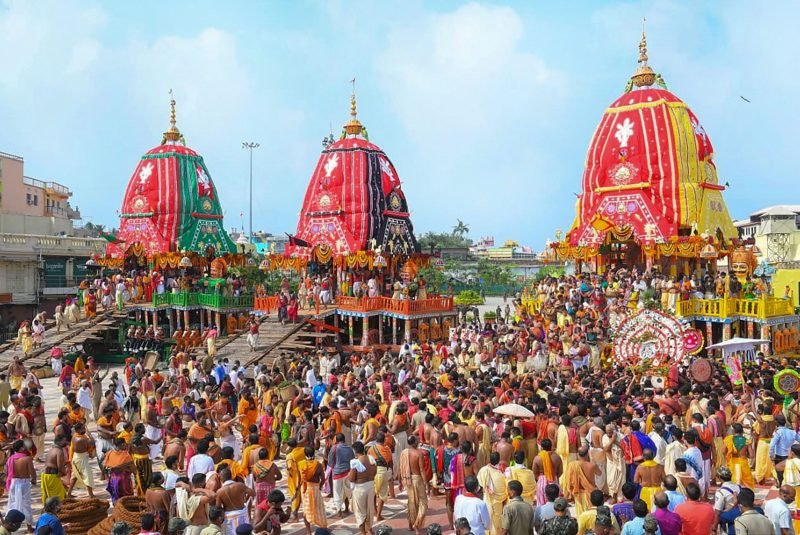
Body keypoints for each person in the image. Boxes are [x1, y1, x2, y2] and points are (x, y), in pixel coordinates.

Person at [399, 435, 428, 535]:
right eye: (417, 440)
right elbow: (422, 470)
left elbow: (401, 468)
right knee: (423, 503)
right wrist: (426, 483)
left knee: (411, 502)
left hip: (407, 479)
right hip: (417, 479)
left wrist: (399, 481)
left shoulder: (403, 453)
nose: (419, 441)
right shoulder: (418, 454)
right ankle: (417, 524)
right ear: (415, 442)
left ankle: (410, 525)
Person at [348, 441, 377, 535]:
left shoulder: (355, 462)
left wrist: (349, 474)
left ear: (355, 451)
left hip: (360, 488)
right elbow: (375, 472)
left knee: (360, 512)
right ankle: (370, 530)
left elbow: (352, 479)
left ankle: (363, 532)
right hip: (370, 485)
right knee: (369, 509)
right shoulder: (371, 458)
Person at [477, 452, 508, 535]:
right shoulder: (501, 475)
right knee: (496, 522)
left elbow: (479, 486)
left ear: (489, 459)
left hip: (486, 501)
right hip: (497, 504)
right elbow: (504, 492)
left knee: (487, 521)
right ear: (499, 460)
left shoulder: (483, 470)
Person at [6, 440, 35, 530]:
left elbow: (7, 472)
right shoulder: (27, 459)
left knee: (12, 503)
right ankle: (29, 526)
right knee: (26, 505)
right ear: (21, 448)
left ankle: (7, 524)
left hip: (13, 482)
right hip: (24, 483)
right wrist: (34, 480)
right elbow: (32, 472)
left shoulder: (11, 459)